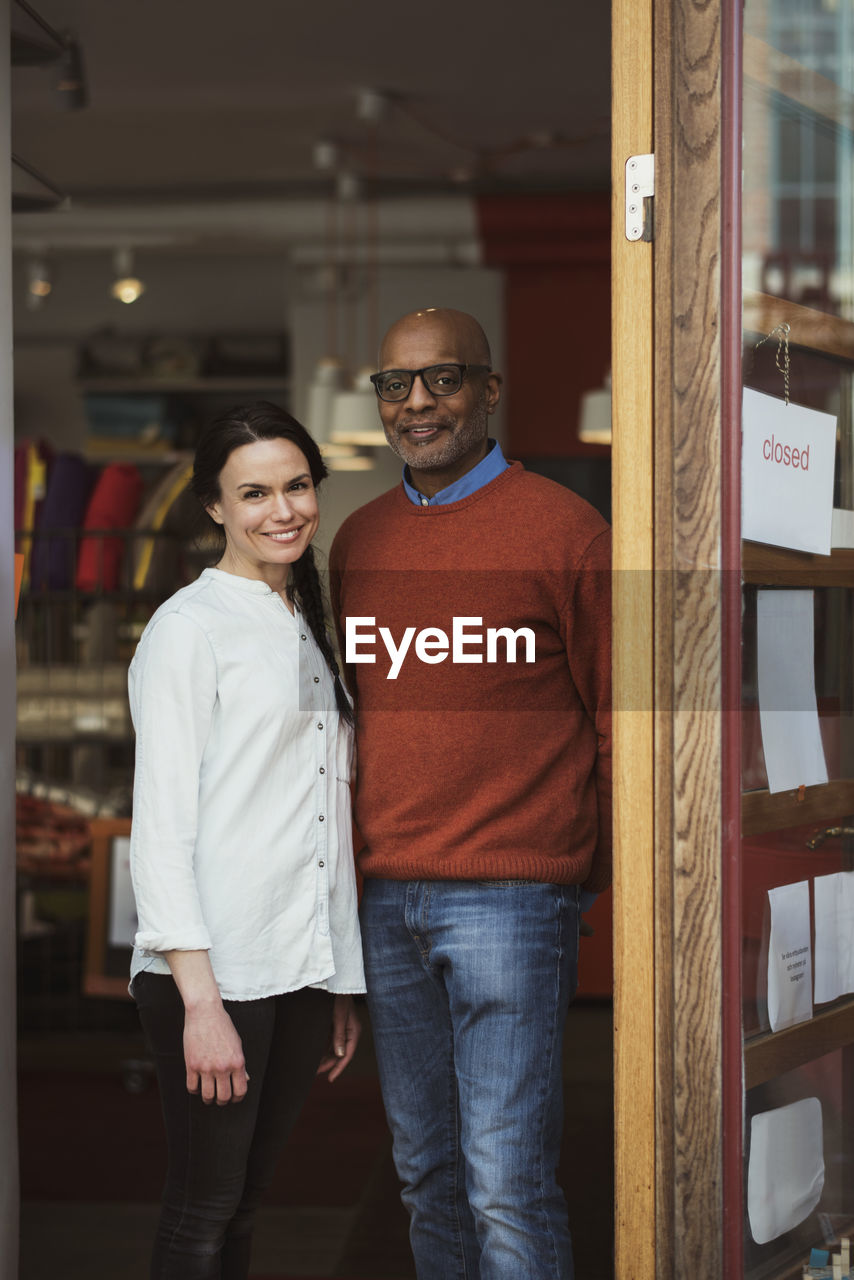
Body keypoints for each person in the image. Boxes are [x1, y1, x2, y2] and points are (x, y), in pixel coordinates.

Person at [329, 308, 611, 1280]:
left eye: (443, 379)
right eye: (396, 385)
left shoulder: (566, 531)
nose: (417, 403)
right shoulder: (355, 542)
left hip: (509, 895)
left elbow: (621, 715)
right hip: (383, 895)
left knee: (505, 1180)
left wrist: (581, 869)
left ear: (489, 391)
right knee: (425, 1172)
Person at [128, 402, 365, 1280]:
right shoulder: (189, 630)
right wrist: (200, 1004)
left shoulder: (308, 617)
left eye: (297, 486)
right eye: (254, 492)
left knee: (244, 1207)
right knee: (202, 1209)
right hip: (214, 975)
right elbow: (159, 828)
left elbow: (321, 812)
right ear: (215, 508)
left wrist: (337, 976)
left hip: (297, 968)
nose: (283, 510)